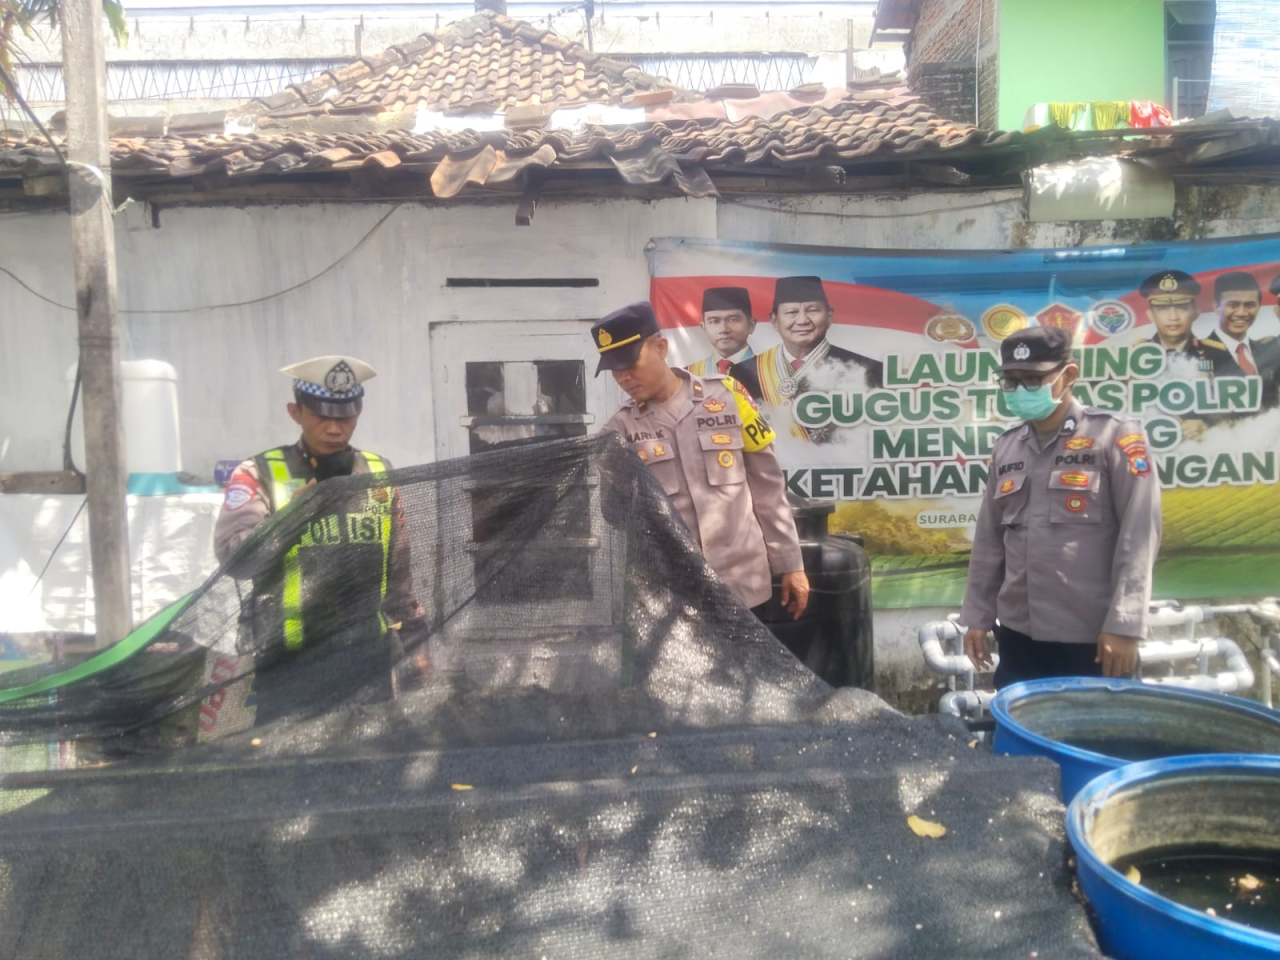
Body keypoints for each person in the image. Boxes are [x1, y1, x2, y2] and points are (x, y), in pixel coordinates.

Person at [213, 356, 425, 714]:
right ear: (295, 412)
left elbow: (398, 569)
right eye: (322, 416)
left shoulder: (377, 472)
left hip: (366, 660)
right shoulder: (259, 473)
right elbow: (235, 560)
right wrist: (290, 519)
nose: (334, 429)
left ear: (358, 413)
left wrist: (416, 641)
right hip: (289, 664)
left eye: (345, 417)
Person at [960, 327, 1162, 688]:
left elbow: (1139, 535)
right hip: (1020, 637)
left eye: (1032, 379)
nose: (1020, 390)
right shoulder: (1006, 448)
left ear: (1068, 375)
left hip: (1094, 639)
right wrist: (978, 615)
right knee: (1018, 724)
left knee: (1095, 724)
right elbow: (989, 542)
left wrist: (1125, 624)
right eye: (1011, 381)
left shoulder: (1114, 436)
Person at [592, 301, 810, 619]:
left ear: (661, 348)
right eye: (614, 370)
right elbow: (615, 514)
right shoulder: (619, 429)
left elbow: (768, 486)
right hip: (674, 598)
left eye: (629, 363)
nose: (623, 377)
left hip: (745, 587)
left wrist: (791, 564)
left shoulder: (728, 396)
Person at [733, 276, 883, 443]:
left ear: (829, 316)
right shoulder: (744, 372)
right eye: (791, 312)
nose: (802, 320)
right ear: (774, 321)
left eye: (813, 311)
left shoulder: (869, 369)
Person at [1138, 269, 1233, 438]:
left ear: (1196, 312)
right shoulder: (1136, 355)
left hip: (1201, 445)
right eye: (1163, 309)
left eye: (1181, 308)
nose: (1173, 317)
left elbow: (1243, 403)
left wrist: (1206, 423)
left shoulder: (1216, 353)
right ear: (1151, 315)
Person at [1206, 271, 1280, 410]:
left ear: (1259, 307)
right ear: (1216, 307)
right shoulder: (1198, 352)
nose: (1241, 313)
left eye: (1249, 305)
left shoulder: (1270, 351)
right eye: (1233, 305)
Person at [686, 286, 757, 377]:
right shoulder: (689, 375)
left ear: (751, 325)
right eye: (714, 321)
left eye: (733, 320)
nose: (724, 329)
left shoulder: (771, 370)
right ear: (703, 328)